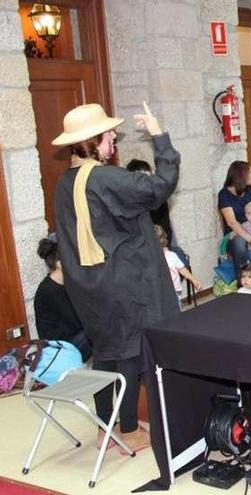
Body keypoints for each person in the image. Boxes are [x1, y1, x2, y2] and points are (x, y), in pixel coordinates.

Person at [51, 102, 178, 451]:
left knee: (105, 350)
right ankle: (128, 430)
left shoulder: (65, 182)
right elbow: (160, 185)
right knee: (129, 353)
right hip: (123, 282)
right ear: (93, 141)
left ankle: (103, 426)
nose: (113, 140)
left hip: (87, 284)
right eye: (109, 135)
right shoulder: (105, 178)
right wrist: (159, 137)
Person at [34, 236, 93, 361]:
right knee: (97, 331)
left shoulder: (67, 284)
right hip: (59, 349)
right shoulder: (48, 290)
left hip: (72, 338)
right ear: (59, 263)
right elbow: (77, 321)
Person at [219, 160, 251, 273]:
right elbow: (232, 223)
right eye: (250, 172)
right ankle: (242, 282)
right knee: (239, 245)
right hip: (236, 233)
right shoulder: (224, 195)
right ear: (241, 176)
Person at [126, 159, 173, 244]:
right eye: (142, 180)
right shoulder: (126, 205)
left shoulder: (159, 200)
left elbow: (166, 231)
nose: (147, 184)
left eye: (149, 178)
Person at [154, 225, 202, 300]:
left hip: (175, 292)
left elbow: (183, 270)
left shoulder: (172, 256)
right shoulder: (151, 261)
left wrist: (194, 280)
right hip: (161, 294)